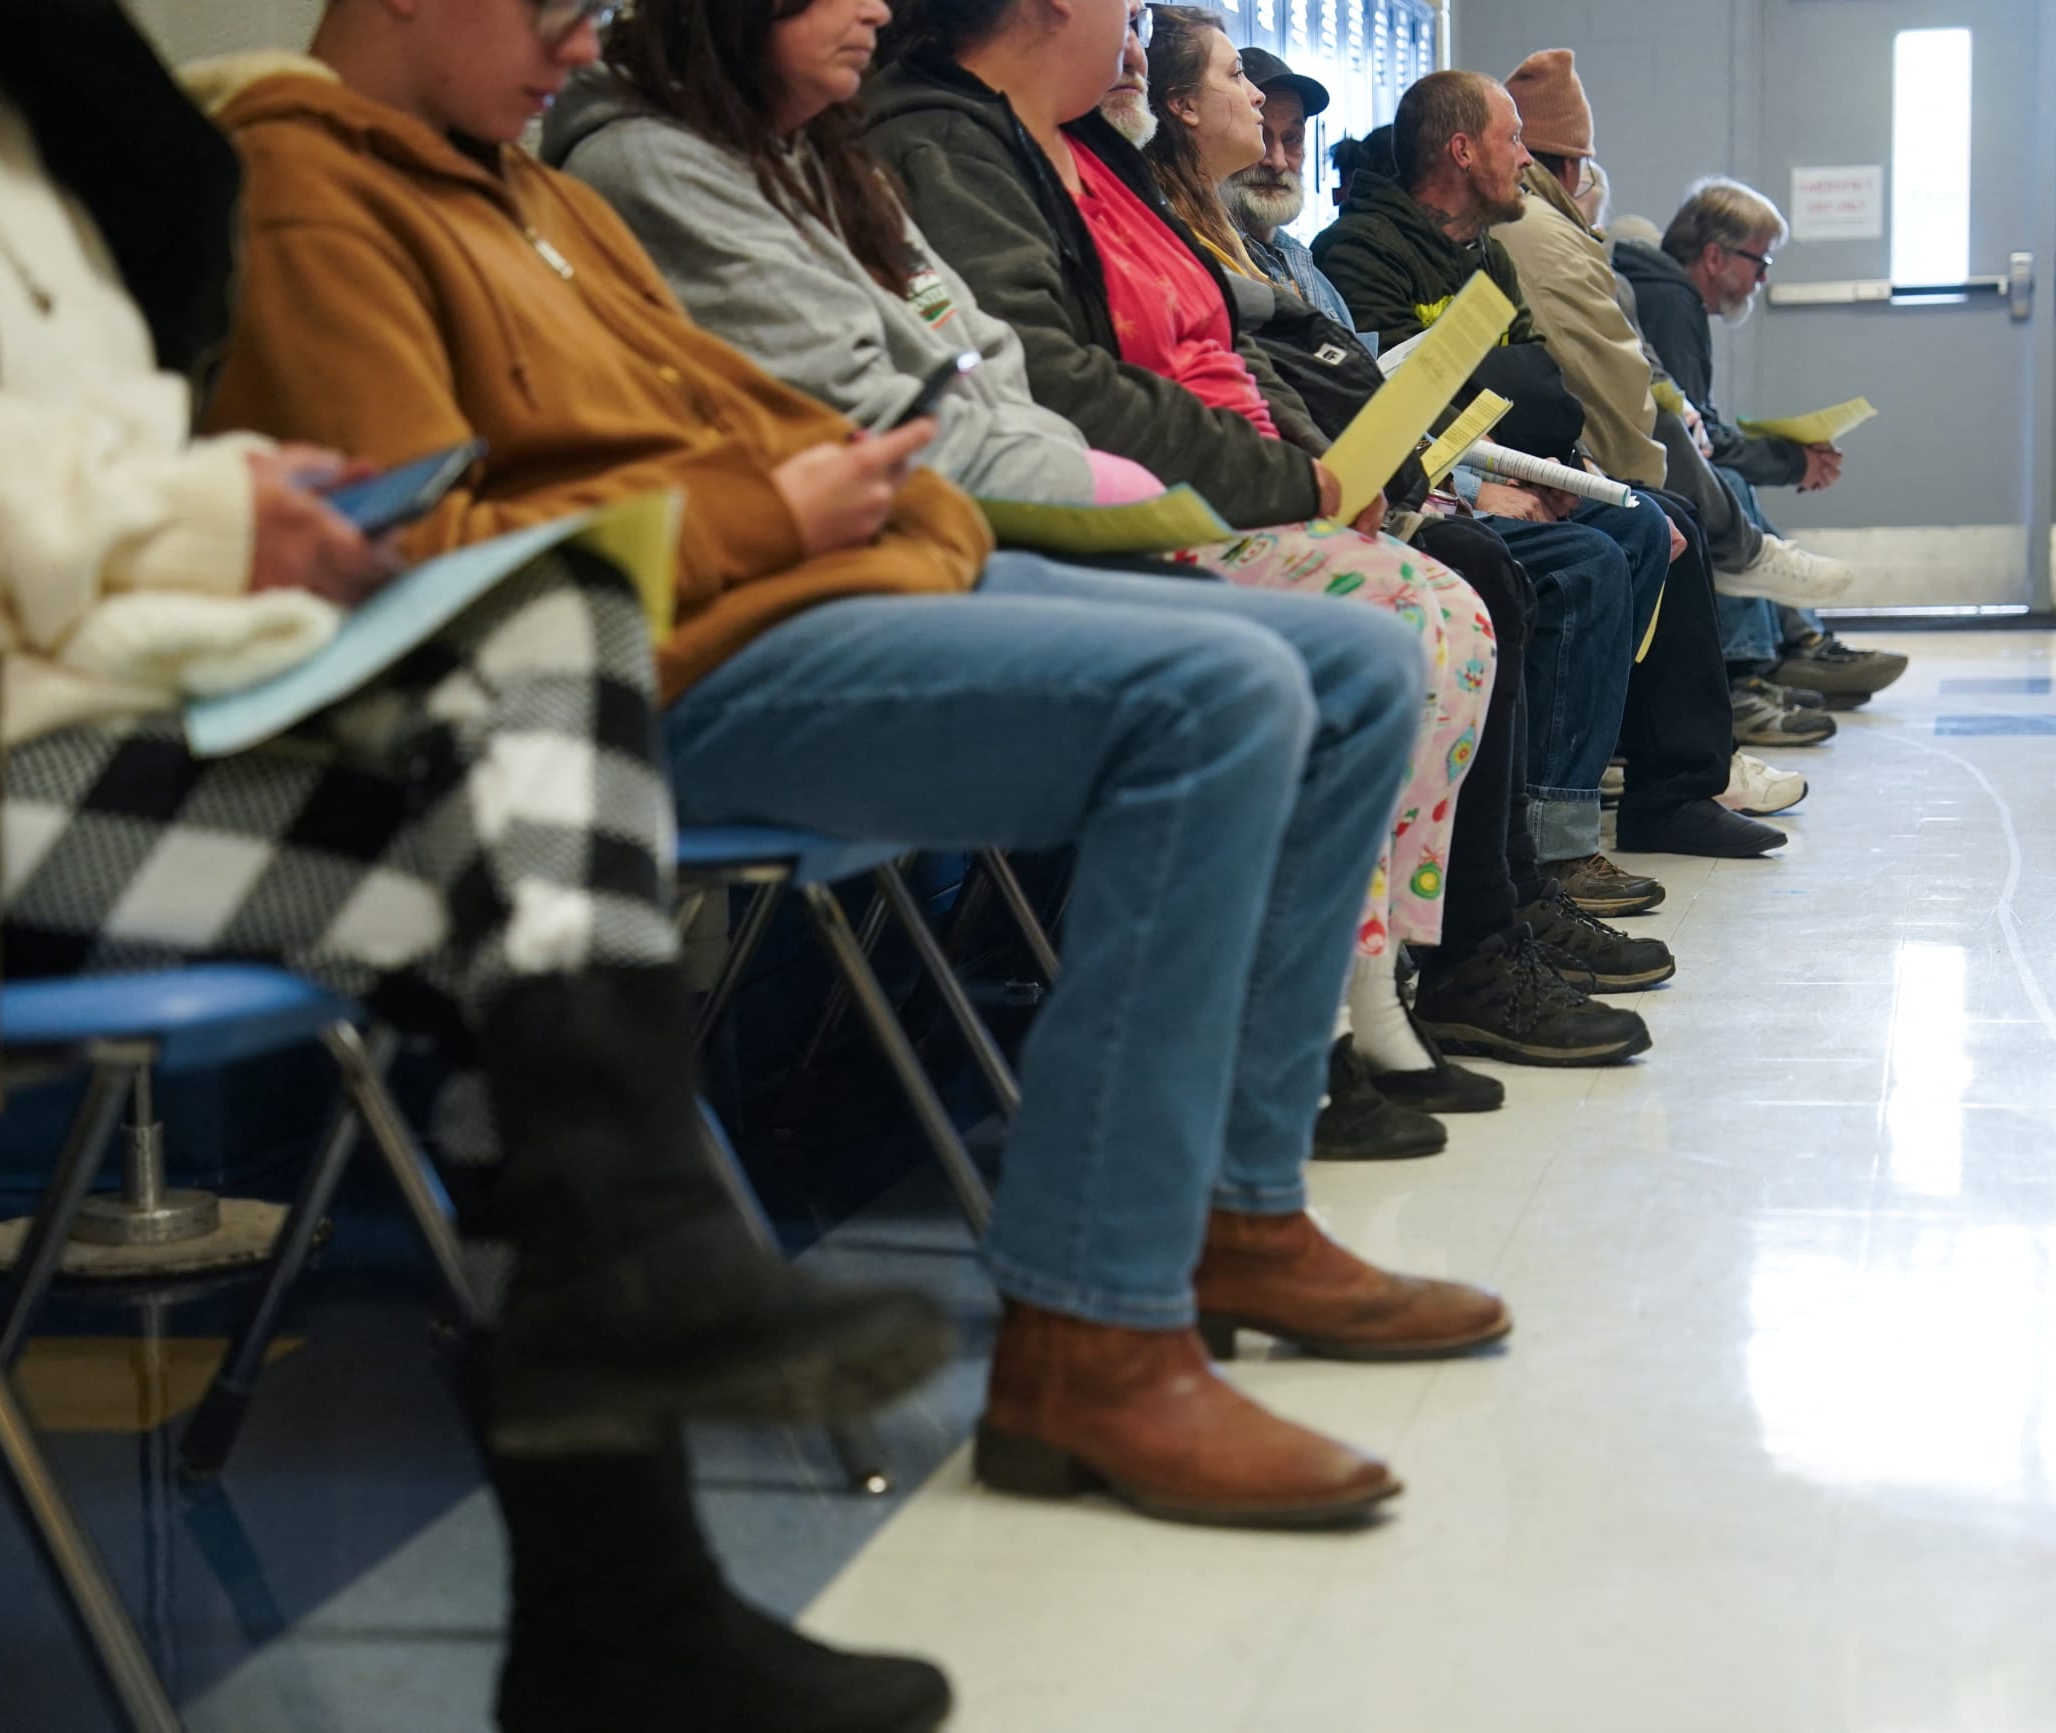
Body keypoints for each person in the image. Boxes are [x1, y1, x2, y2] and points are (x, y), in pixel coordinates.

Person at [194, 0, 1514, 1572]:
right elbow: (415, 572)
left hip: (770, 595)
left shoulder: (528, 185)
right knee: (1223, 691)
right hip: (607, 684)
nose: (579, 33)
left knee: (1351, 668)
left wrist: (872, 521)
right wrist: (796, 518)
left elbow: (823, 429)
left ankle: (1234, 1208)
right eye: (549, 6)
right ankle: (1091, 1335)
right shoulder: (304, 186)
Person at [0, 3, 961, 1730]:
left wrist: (247, 517)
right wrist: (208, 517)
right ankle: (626, 1585)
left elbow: (82, 471)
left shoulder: (9, 82)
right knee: (521, 919)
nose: (575, 33)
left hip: (85, 706)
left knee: (548, 643)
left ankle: (628, 1544)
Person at [858, 0, 1671, 1077]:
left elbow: (1246, 363)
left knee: (1480, 589)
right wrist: (1302, 480)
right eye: (1134, 19)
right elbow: (1061, 384)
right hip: (1071, 520)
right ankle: (1324, 1015)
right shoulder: (965, 149)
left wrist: (1332, 475)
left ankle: (1403, 971)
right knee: (1410, 612)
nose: (1134, 39)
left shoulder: (1082, 163)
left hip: (1186, 483)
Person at [1315, 68, 1785, 860]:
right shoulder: (1360, 249)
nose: (1525, 159)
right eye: (1513, 139)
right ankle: (1553, 834)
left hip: (1524, 467)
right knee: (1594, 557)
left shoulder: (1487, 255)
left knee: (1663, 522)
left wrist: (1555, 469)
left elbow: (1543, 391)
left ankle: (1673, 789)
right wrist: (1491, 472)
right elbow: (1400, 403)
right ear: (1462, 151)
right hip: (1444, 483)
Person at [1493, 48, 1845, 776]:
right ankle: (1702, 742)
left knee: (1676, 511)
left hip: (1553, 456)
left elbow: (1666, 403)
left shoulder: (1584, 252)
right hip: (1542, 464)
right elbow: (1630, 397)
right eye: (1760, 261)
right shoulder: (1576, 251)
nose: (1764, 276)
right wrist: (1651, 480)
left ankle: (1735, 700)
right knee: (1667, 516)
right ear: (1569, 170)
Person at [1616, 177, 1911, 709]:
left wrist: (1789, 459)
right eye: (1761, 263)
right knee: (1724, 487)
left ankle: (1798, 641)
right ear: (1714, 257)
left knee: (1726, 484)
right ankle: (1746, 669)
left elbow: (1696, 426)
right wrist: (1793, 462)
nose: (1762, 279)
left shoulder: (1665, 294)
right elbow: (1694, 442)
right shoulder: (1670, 301)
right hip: (1638, 470)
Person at [1219, 46, 1354, 327]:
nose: (1277, 161)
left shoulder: (1305, 266)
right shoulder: (1210, 264)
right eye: (1260, 136)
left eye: (1292, 138)